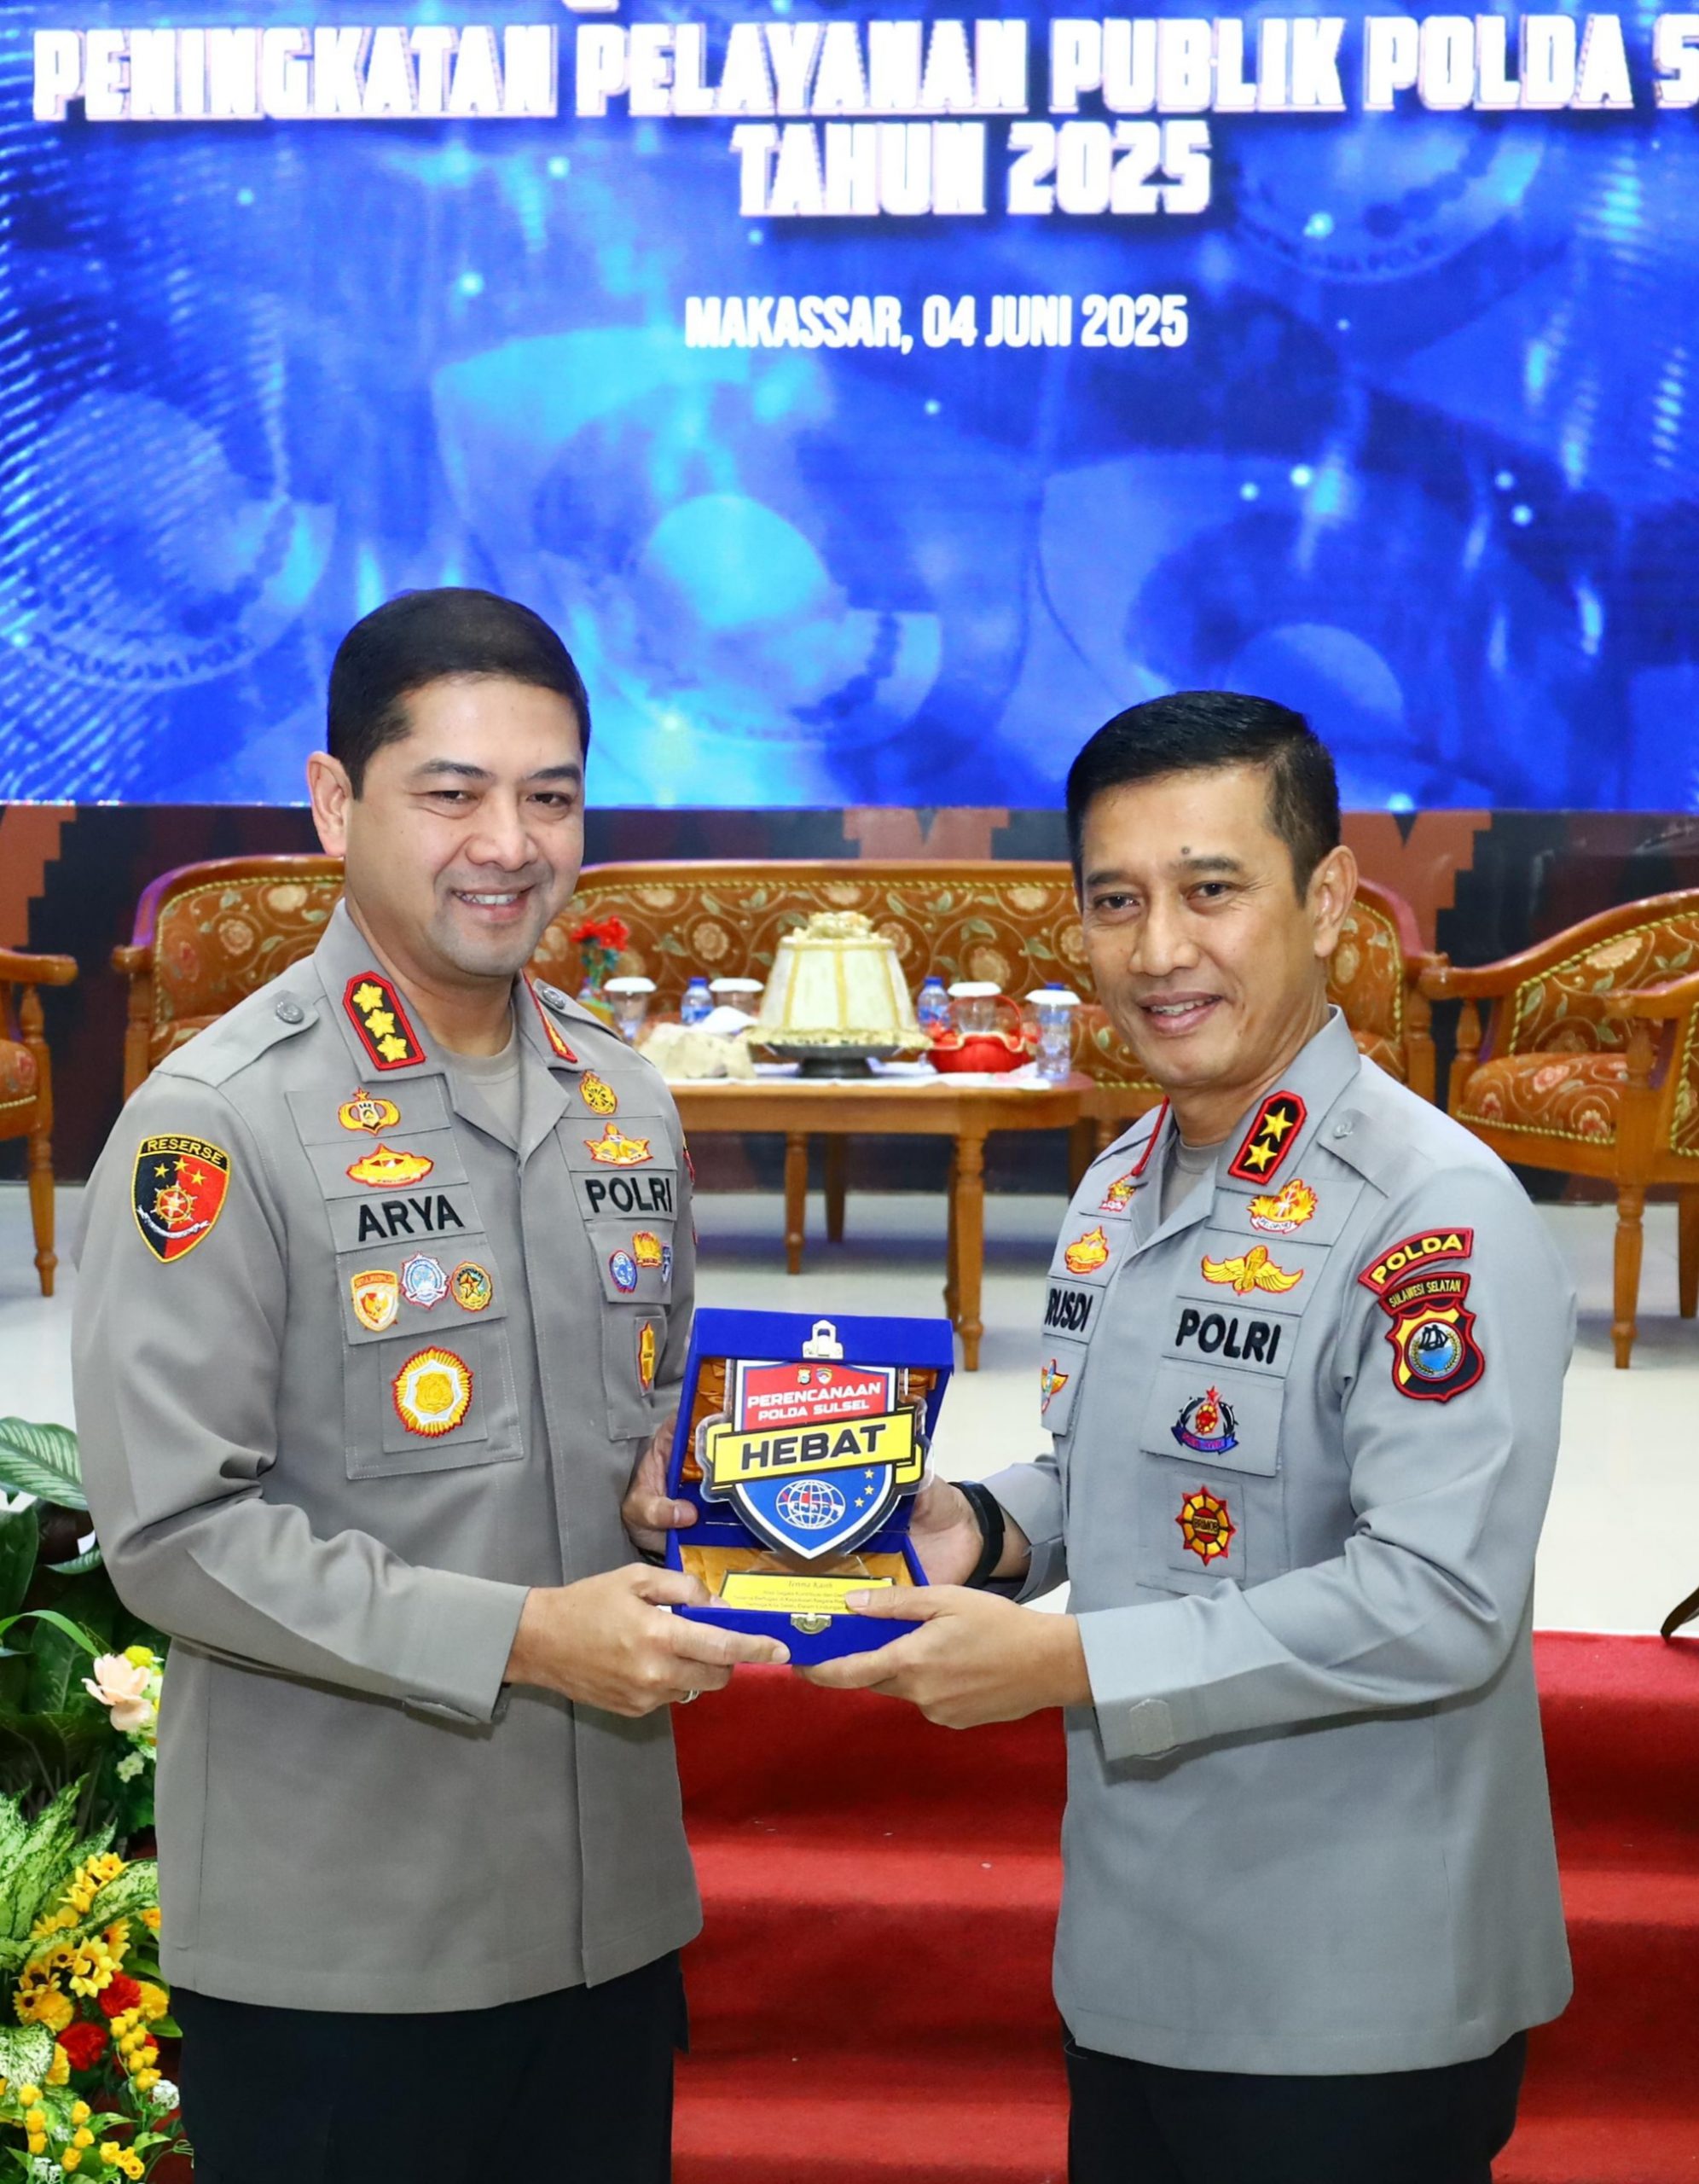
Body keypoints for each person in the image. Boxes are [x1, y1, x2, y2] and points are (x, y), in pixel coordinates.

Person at [804, 692, 1574, 2184]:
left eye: (1211, 889)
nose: (1160, 950)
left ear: (1328, 901)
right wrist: (981, 1528)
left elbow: (1439, 1602)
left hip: (1354, 1998)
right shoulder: (1121, 1182)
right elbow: (1123, 1477)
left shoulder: (1433, 1213)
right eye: (1117, 901)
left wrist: (1067, 1664)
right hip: (1137, 1962)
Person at [72, 587, 785, 2184]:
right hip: (347, 1955)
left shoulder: (624, 1099)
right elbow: (176, 1536)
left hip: (606, 1925)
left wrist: (702, 1496)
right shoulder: (220, 1122)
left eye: (551, 797)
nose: (508, 845)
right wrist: (526, 1636)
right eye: (452, 793)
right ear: (338, 805)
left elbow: (641, 1442)